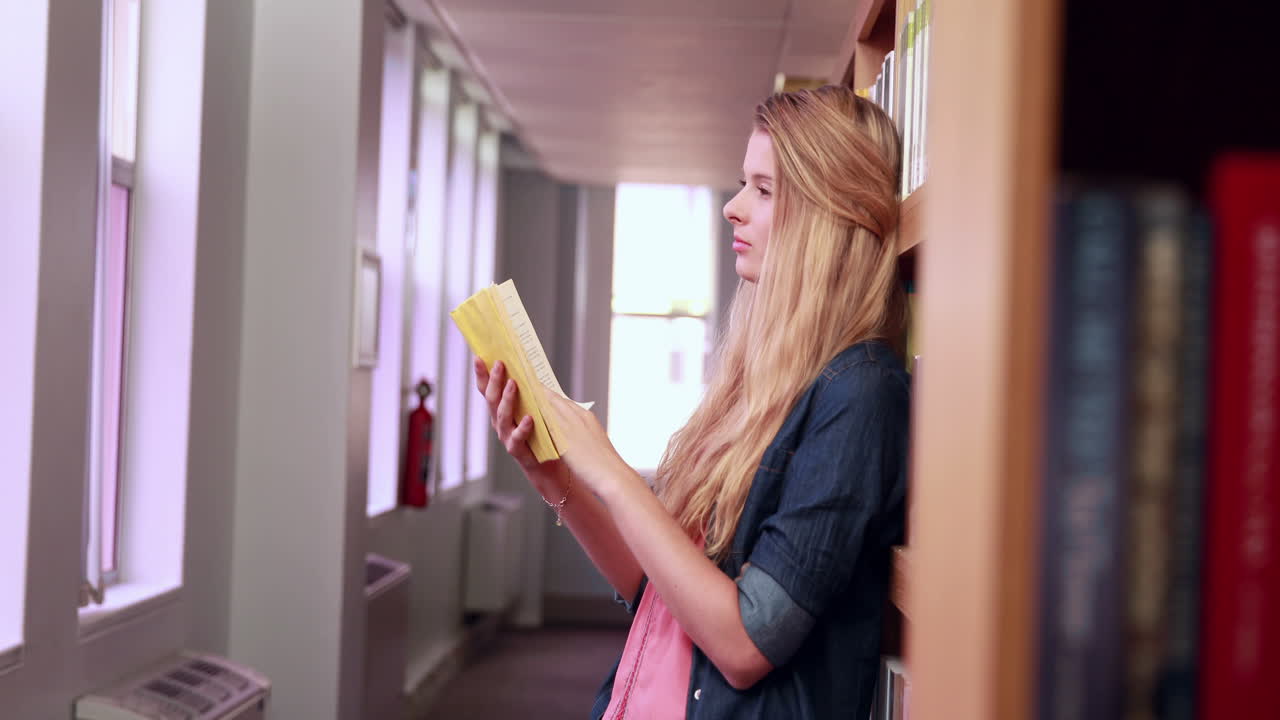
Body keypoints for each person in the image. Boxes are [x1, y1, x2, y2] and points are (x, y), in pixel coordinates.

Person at [472, 84, 910, 719]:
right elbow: (656, 591)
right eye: (743, 184)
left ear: (828, 213)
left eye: (763, 190)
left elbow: (746, 640)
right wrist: (554, 473)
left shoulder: (860, 394)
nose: (733, 208)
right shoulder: (766, 380)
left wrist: (615, 476)